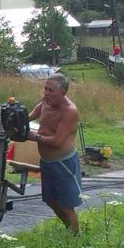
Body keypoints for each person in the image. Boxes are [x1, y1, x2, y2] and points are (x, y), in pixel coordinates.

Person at [28, 74, 82, 234]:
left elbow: (58, 142)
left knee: (67, 205)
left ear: (63, 92)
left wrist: (33, 136)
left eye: (50, 90)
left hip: (63, 163)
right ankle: (69, 229)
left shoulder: (69, 111)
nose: (46, 93)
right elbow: (30, 116)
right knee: (51, 200)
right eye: (45, 88)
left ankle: (76, 238)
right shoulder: (46, 102)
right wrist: (17, 122)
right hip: (46, 162)